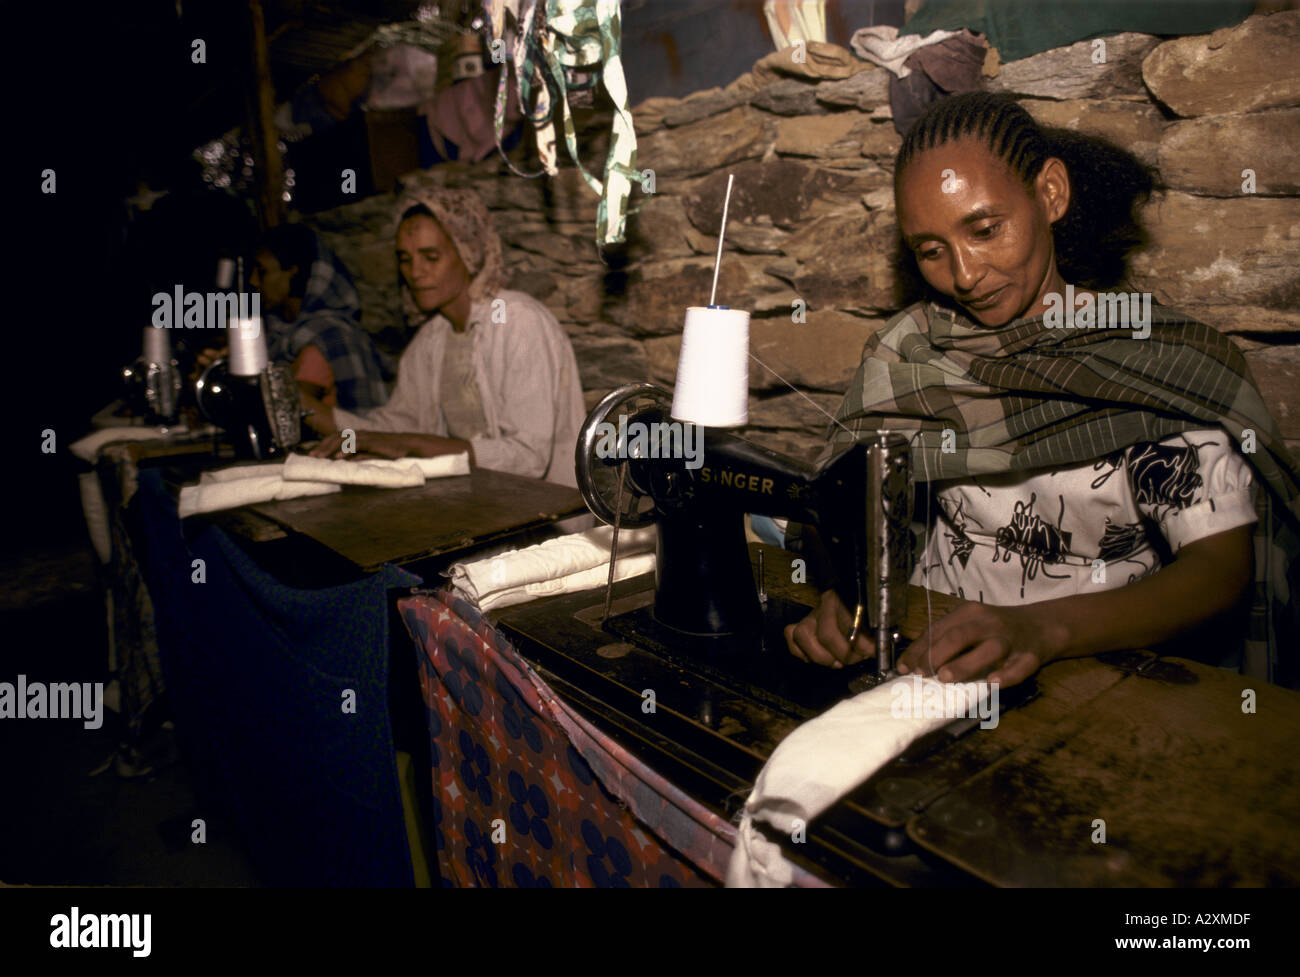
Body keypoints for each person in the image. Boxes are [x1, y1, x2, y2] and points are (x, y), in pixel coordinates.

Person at [786, 92, 1300, 691]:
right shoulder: (909, 353)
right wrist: (840, 600)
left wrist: (1039, 631)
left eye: (985, 229)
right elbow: (839, 508)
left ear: (1050, 194)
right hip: (919, 669)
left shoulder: (1147, 358)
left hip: (1098, 679)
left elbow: (1218, 571)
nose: (965, 274)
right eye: (931, 250)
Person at [305, 186, 586, 488]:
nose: (415, 272)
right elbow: (397, 426)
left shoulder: (518, 321)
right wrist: (308, 410)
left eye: (430, 256)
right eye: (405, 259)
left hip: (544, 510)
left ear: (469, 253)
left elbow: (528, 456)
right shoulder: (430, 340)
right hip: (476, 502)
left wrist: (411, 446)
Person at [249, 224, 392, 412]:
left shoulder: (331, 335)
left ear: (293, 271)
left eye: (262, 271)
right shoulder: (277, 334)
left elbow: (287, 411)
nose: (253, 281)